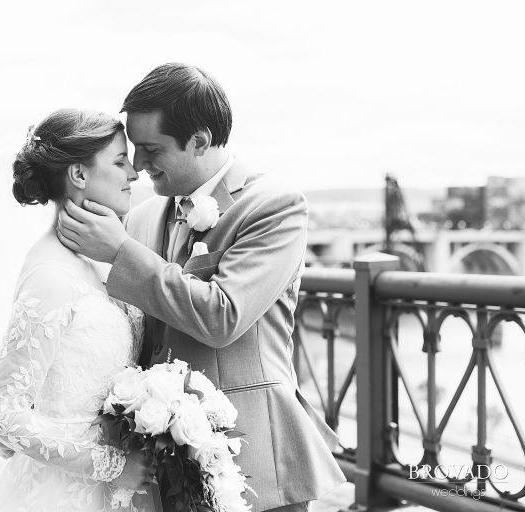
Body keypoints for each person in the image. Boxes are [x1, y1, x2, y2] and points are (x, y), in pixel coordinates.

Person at [56, 63, 347, 511]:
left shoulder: (273, 205)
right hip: (159, 459)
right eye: (133, 150)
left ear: (200, 140)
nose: (138, 164)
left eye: (152, 148)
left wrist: (119, 253)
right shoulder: (141, 216)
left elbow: (222, 316)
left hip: (252, 461)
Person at [0, 109, 155, 512]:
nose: (134, 173)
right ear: (79, 176)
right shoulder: (50, 274)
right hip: (64, 494)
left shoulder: (95, 261)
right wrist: (110, 464)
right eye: (120, 161)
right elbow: (3, 415)